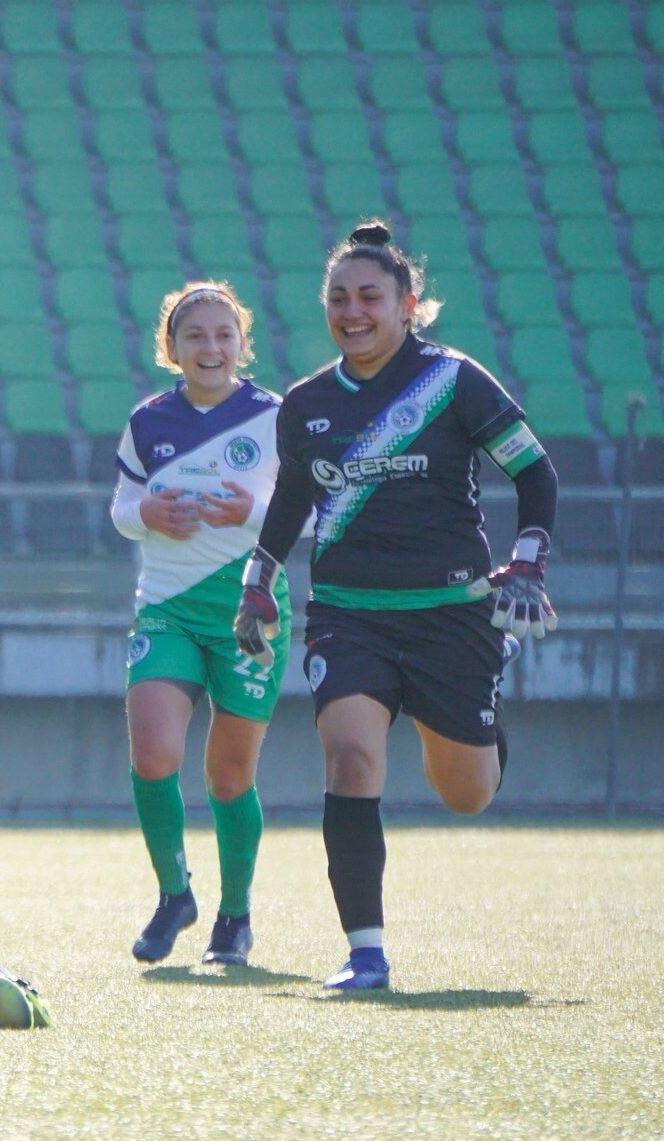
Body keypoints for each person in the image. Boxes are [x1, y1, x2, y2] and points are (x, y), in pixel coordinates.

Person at [234, 220, 558, 991]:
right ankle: (365, 951)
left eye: (370, 296)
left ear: (408, 303)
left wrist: (529, 563)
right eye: (338, 298)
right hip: (350, 613)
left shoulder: (456, 381)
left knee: (467, 793)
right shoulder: (308, 402)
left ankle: (493, 661)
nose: (353, 311)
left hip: (452, 611)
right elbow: (291, 498)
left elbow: (536, 474)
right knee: (349, 756)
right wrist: (259, 578)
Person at [110, 282, 288, 967]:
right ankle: (173, 893)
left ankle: (234, 914)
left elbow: (304, 512)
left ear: (242, 343)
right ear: (172, 349)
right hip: (167, 605)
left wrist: (249, 510)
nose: (210, 347)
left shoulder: (276, 417)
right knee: (153, 754)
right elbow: (122, 505)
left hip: (251, 609)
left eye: (223, 335)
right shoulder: (149, 420)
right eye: (195, 336)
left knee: (228, 776)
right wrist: (145, 514)